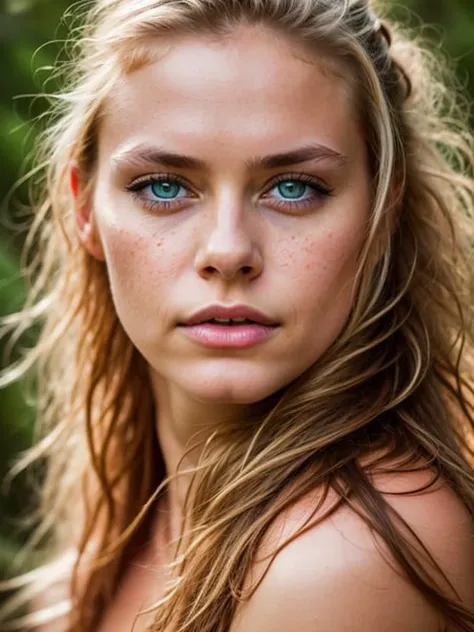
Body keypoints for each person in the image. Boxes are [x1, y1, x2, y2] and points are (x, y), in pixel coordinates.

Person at [1, 0, 474, 629]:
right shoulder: (115, 545)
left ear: (382, 211)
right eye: (164, 186)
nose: (228, 250)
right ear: (84, 208)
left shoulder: (345, 557)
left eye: (294, 187)